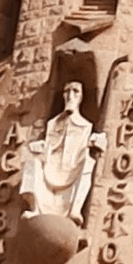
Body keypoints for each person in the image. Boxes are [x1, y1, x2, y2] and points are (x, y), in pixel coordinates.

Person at [19, 83, 104, 223]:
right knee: (32, 162)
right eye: (67, 91)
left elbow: (83, 146)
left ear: (81, 97)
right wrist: (41, 147)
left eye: (75, 92)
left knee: (88, 162)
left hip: (73, 167)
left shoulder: (85, 125)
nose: (70, 95)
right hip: (52, 165)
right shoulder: (53, 123)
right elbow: (51, 145)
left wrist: (95, 141)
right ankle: (35, 208)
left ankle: (75, 210)